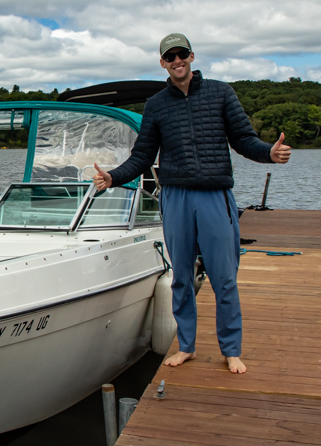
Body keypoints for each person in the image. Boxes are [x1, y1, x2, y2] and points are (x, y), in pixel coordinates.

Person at [92, 33, 291, 374]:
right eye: (170, 57)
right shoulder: (156, 105)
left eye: (181, 54)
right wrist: (113, 177)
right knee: (182, 277)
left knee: (224, 277)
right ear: (162, 63)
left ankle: (231, 350)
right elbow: (142, 156)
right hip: (176, 197)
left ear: (192, 56)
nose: (177, 60)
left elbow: (244, 139)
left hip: (215, 195)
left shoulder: (221, 93)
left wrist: (269, 153)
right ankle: (187, 346)